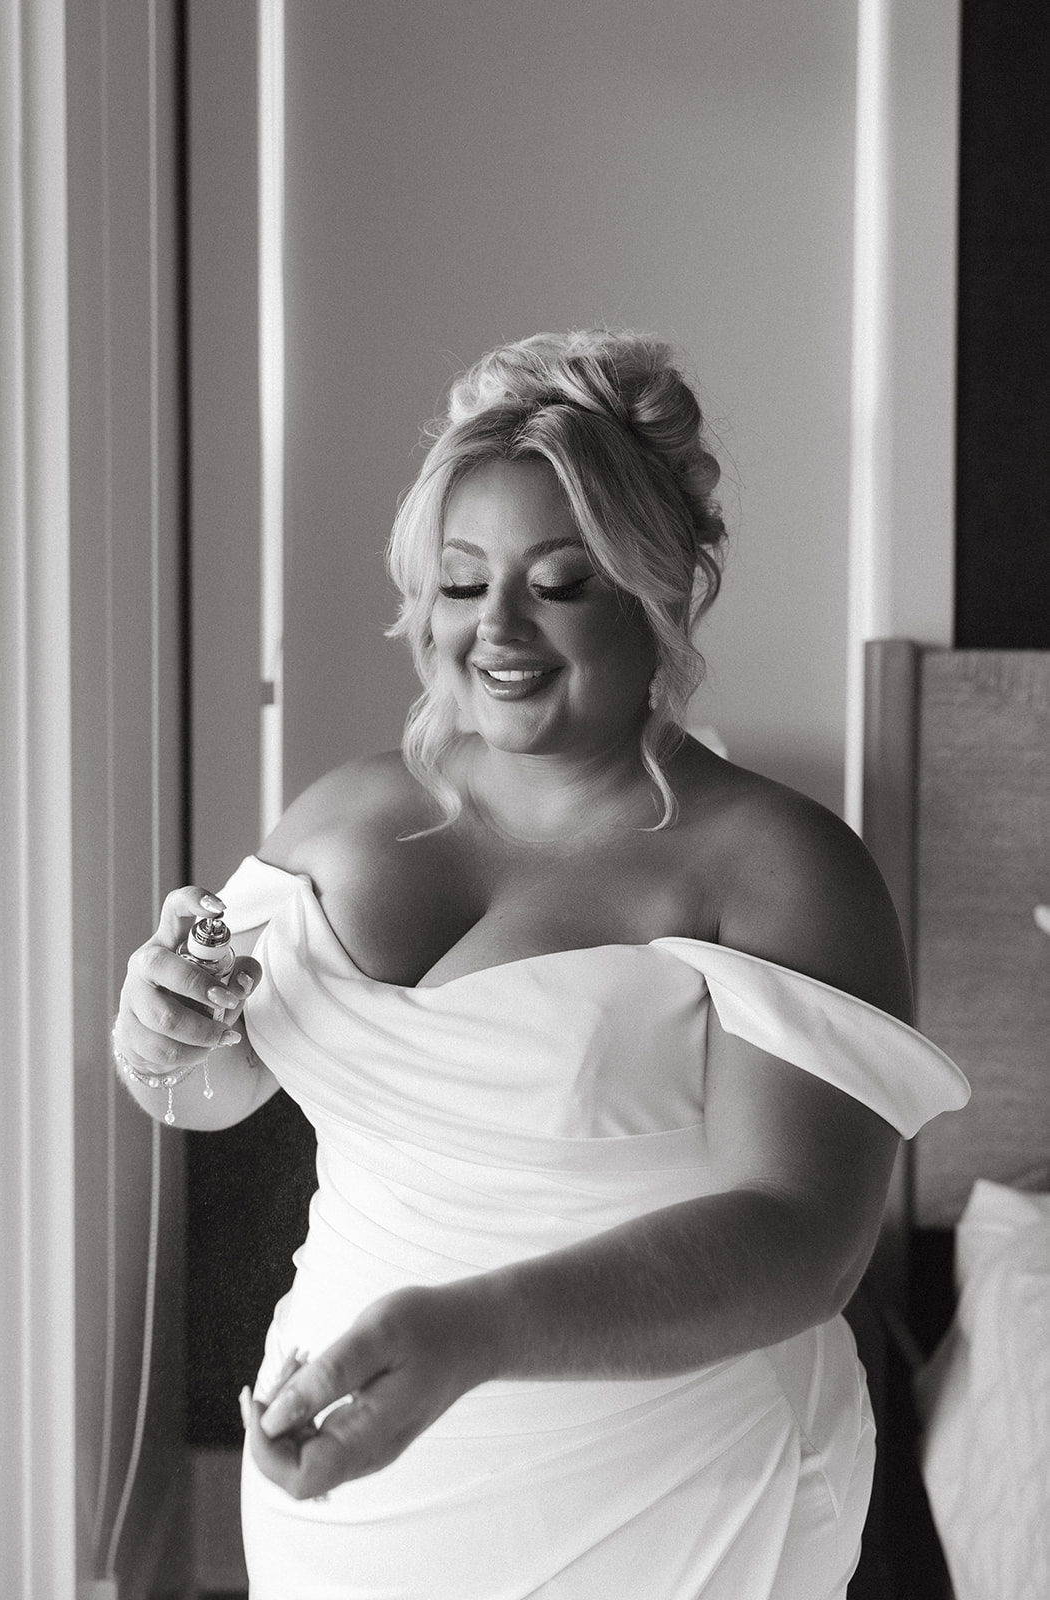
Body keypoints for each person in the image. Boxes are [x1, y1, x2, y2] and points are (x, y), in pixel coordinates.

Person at [113, 329, 968, 1599]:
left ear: (662, 588)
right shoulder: (336, 817)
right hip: (344, 1480)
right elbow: (207, 1090)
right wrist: (155, 1031)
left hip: (658, 1493)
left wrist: (479, 1331)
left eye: (558, 581)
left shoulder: (777, 867)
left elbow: (805, 1244)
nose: (495, 628)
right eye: (460, 584)